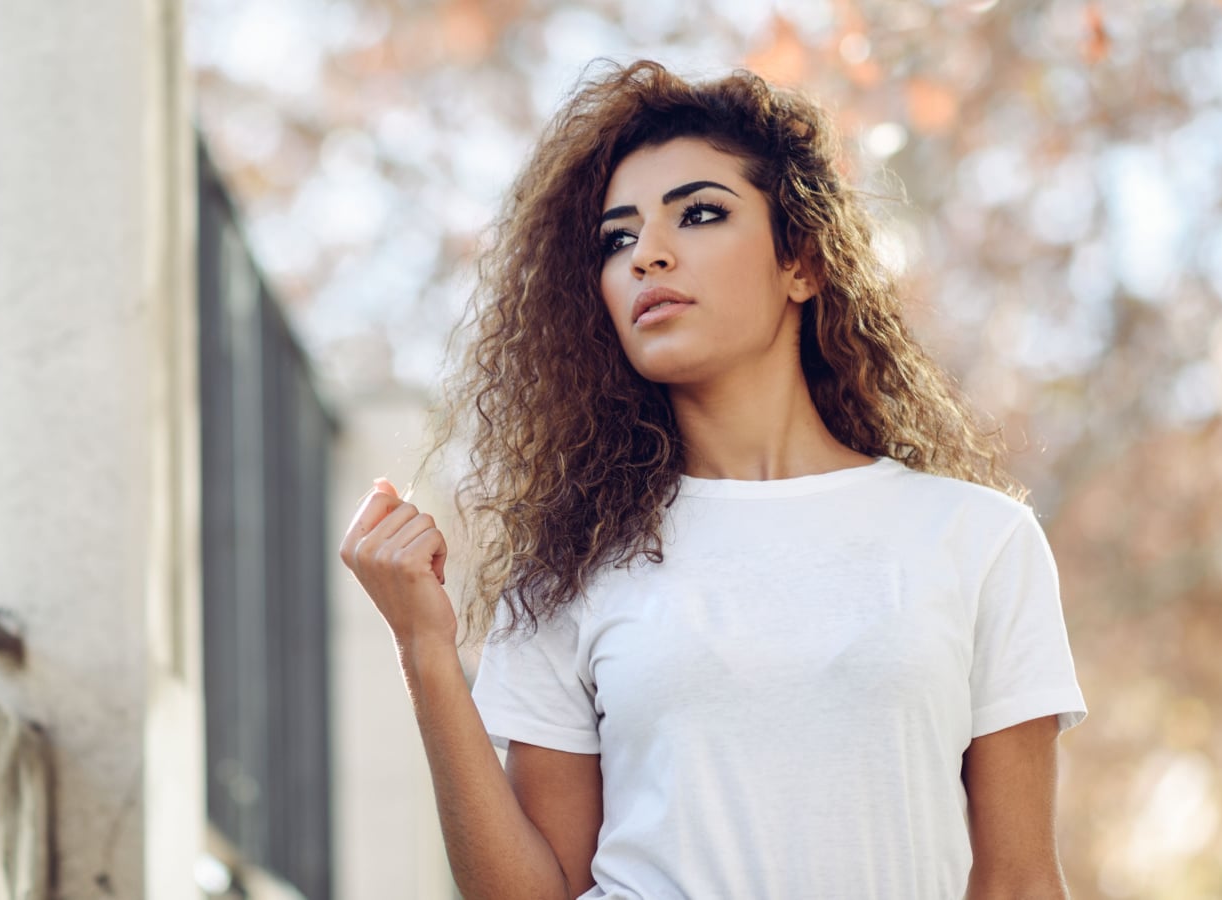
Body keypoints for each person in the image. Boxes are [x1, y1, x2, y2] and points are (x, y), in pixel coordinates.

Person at [339, 60, 1086, 900]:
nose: (647, 255)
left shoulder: (978, 539)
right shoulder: (567, 569)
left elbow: (1020, 882)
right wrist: (425, 650)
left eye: (699, 214)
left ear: (801, 264)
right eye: (617, 239)